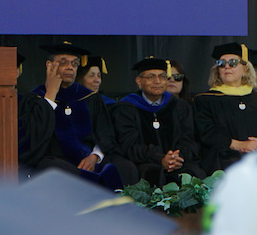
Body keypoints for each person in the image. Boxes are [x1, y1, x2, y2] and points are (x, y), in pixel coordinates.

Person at [26, 41, 137, 189]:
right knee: (55, 169)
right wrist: (50, 95)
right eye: (63, 63)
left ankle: (123, 210)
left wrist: (95, 156)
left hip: (89, 160)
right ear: (49, 65)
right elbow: (33, 136)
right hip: (56, 161)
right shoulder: (35, 98)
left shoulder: (90, 97)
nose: (70, 67)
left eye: (74, 63)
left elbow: (105, 134)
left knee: (125, 167)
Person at [112, 57, 204, 186]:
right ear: (139, 81)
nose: (158, 81)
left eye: (162, 76)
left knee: (194, 173)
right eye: (151, 77)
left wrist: (175, 159)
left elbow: (189, 139)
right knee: (152, 174)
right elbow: (129, 145)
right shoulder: (126, 108)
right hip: (145, 162)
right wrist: (159, 158)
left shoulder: (179, 106)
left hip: (178, 163)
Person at [193, 42, 257, 173]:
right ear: (217, 70)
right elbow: (206, 131)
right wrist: (239, 145)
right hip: (222, 158)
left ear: (245, 69)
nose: (227, 66)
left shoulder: (254, 97)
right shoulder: (205, 99)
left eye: (233, 62)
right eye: (221, 63)